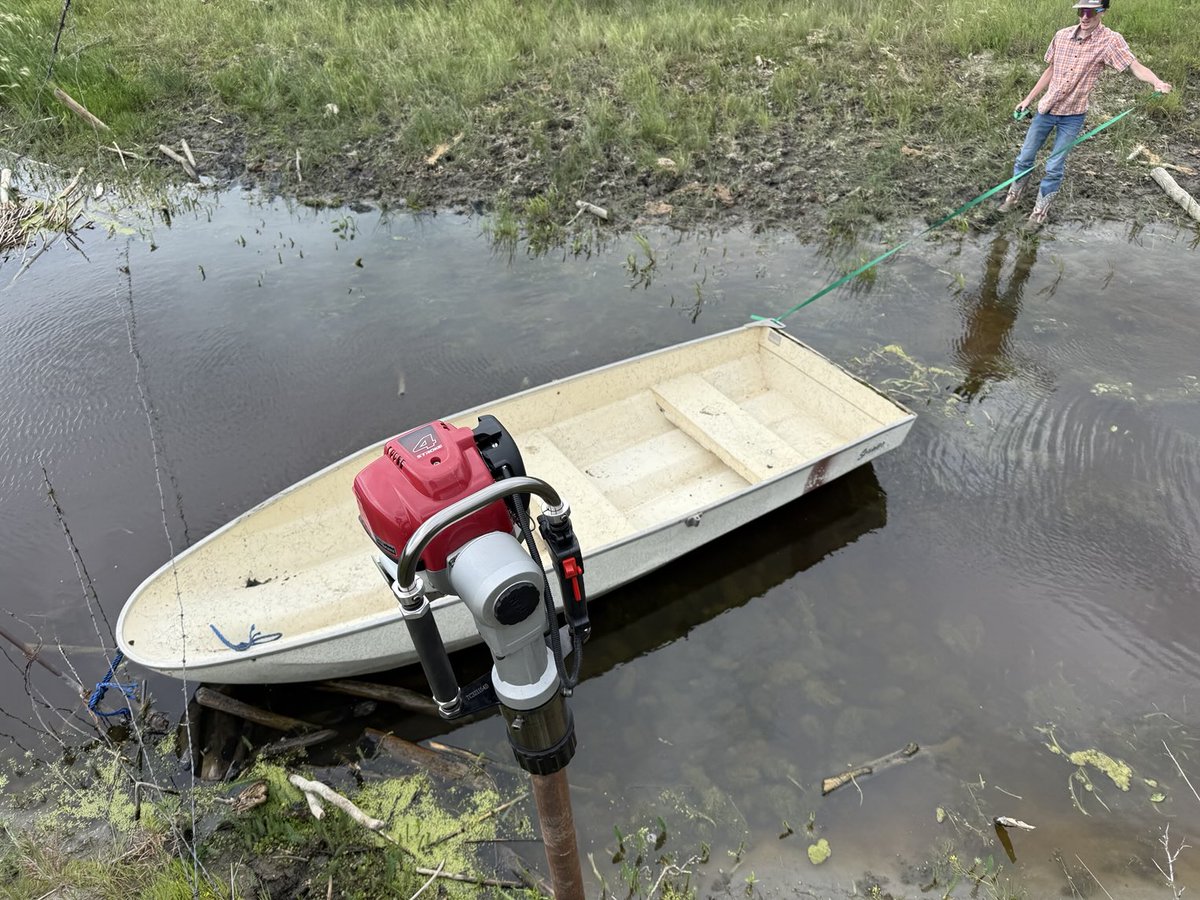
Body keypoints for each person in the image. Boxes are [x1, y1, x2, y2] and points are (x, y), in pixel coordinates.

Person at [999, 0, 1172, 224]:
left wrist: (1156, 82)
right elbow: (1050, 70)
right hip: (1046, 109)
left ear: (1103, 12)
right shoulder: (1061, 35)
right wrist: (1028, 99)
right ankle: (1013, 197)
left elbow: (1133, 65)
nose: (1085, 17)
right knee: (1024, 157)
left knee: (1053, 167)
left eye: (1091, 12)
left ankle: (1039, 213)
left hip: (1073, 115)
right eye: (1081, 11)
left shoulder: (1110, 41)